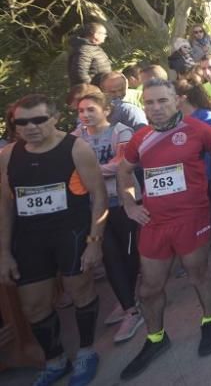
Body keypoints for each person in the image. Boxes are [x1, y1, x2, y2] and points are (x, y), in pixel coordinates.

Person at [116, 79, 211, 380]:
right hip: (153, 221)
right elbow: (124, 171)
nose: (156, 108)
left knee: (197, 273)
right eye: (149, 103)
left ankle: (210, 321)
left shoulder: (199, 130)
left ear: (177, 100)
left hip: (192, 218)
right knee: (149, 288)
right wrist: (129, 205)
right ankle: (156, 338)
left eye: (162, 101)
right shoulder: (141, 137)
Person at [0, 94, 107, 386]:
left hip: (70, 231)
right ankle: (55, 359)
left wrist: (94, 241)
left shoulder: (76, 148)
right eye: (22, 122)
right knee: (33, 305)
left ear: (55, 118)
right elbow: (5, 205)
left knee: (79, 290)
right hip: (29, 238)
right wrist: (4, 252)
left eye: (38, 120)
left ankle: (86, 351)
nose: (30, 127)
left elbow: (99, 195)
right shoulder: (8, 155)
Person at [72, 89, 144, 343]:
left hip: (123, 202)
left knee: (129, 254)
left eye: (91, 109)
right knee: (110, 257)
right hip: (94, 207)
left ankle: (132, 295)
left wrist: (87, 172)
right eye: (81, 111)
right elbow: (68, 167)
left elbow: (122, 163)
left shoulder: (121, 131)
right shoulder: (75, 138)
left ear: (105, 110)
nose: (85, 115)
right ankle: (129, 308)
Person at [68, 21, 112, 86]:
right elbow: (79, 74)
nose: (105, 36)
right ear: (96, 35)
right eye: (104, 34)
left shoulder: (92, 47)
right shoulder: (84, 50)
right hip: (92, 91)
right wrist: (93, 88)